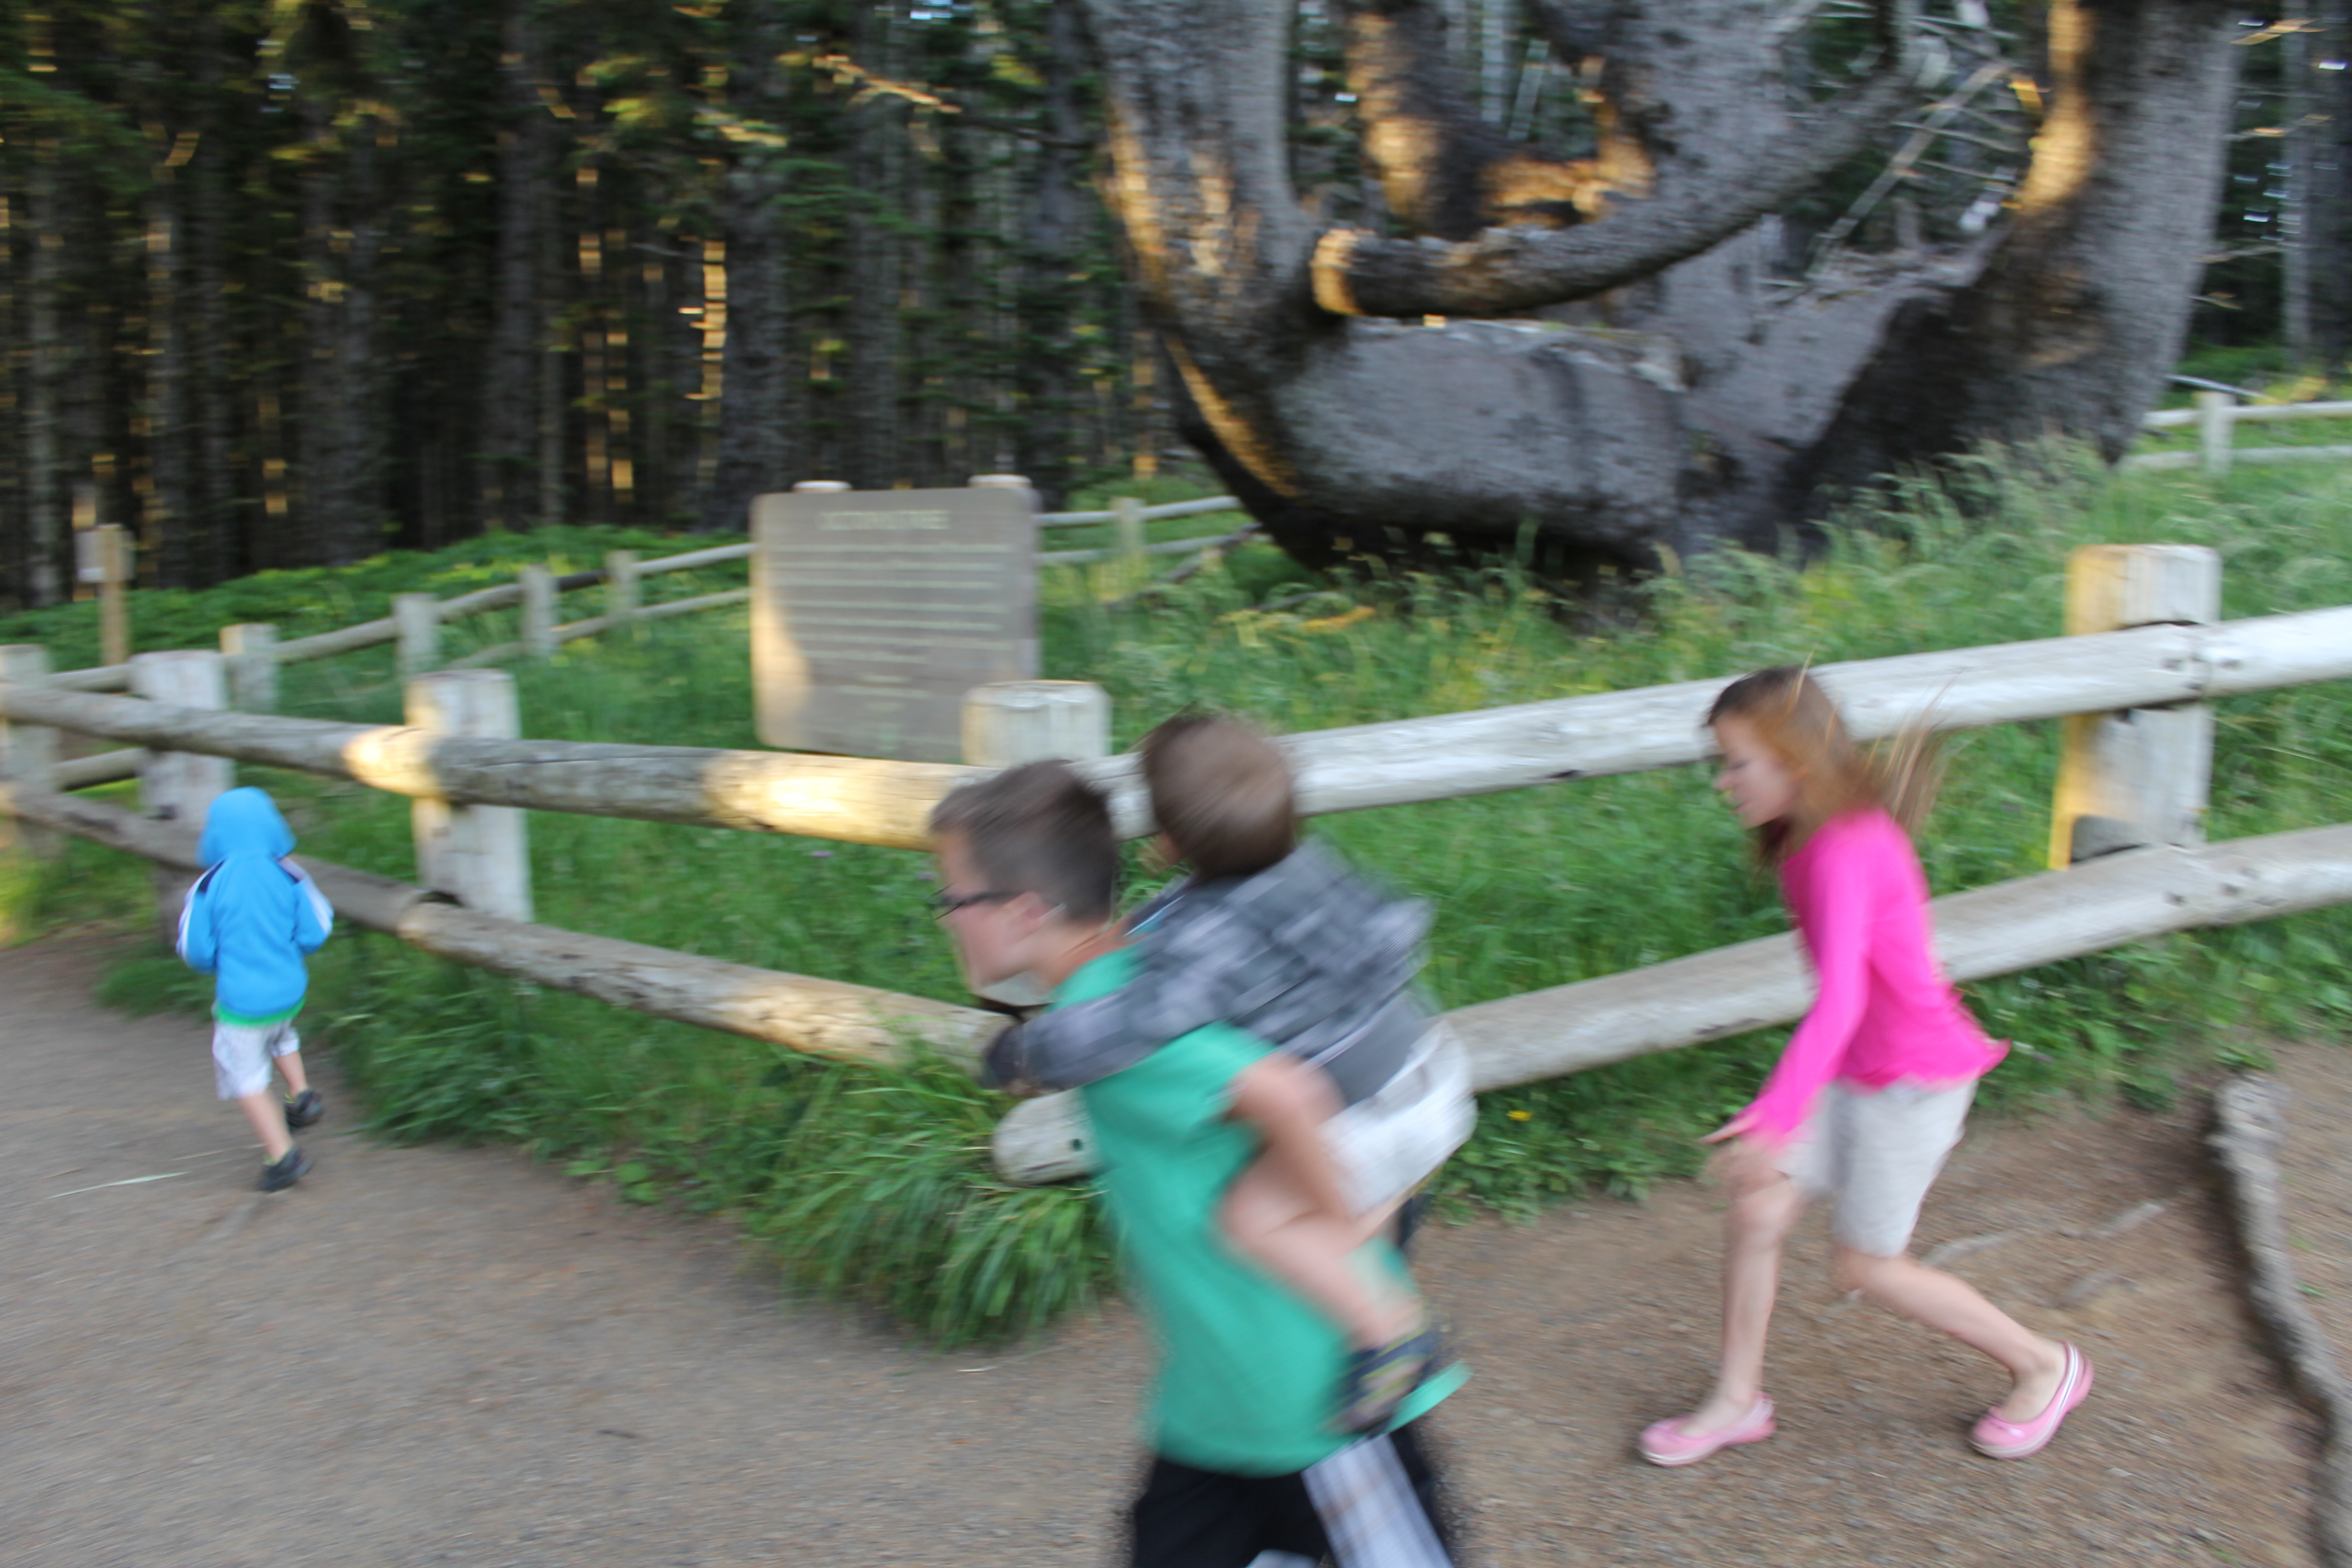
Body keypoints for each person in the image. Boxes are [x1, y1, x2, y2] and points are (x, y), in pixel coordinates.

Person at [932, 761, 1464, 1566]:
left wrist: (1342, 1229)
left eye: (952, 899)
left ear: (1022, 912)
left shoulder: (1123, 1036)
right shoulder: (1139, 968)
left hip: (1314, 1411)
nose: (944, 919)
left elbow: (1283, 1093)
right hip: (1212, 1407)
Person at [1639, 665, 2090, 1467]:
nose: (1723, 782)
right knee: (1757, 1209)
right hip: (1851, 1068)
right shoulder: (1807, 838)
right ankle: (1735, 1399)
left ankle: (2043, 1365)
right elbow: (1842, 1010)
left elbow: (1840, 999)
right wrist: (1787, 1106)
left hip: (1912, 1083)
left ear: (1796, 766)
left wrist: (1776, 1111)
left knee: (1866, 1267)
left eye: (1737, 762)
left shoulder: (1842, 848)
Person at [175, 787, 334, 1193]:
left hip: (243, 1004)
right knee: (281, 1032)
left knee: (246, 1077)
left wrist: (220, 964)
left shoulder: (209, 886)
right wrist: (290, 949)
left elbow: (195, 950)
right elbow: (317, 928)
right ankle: (301, 1095)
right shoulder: (289, 872)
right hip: (289, 991)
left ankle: (283, 1157)